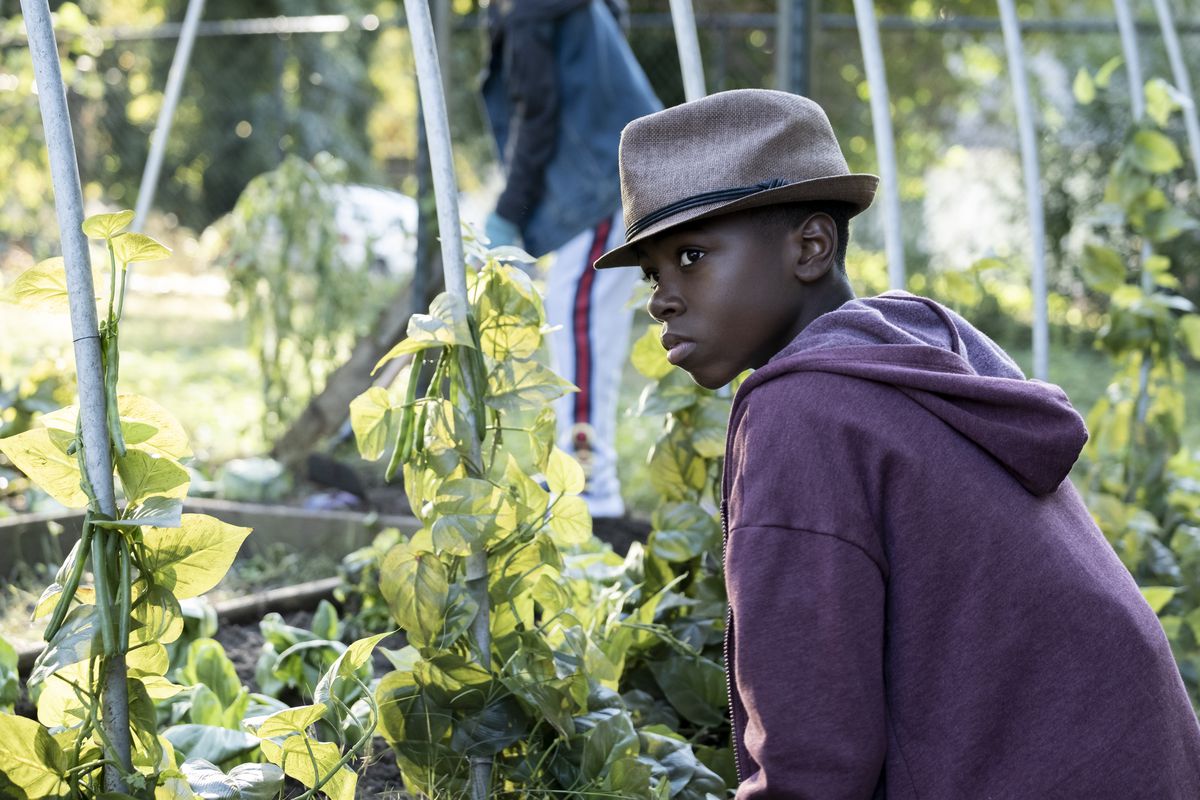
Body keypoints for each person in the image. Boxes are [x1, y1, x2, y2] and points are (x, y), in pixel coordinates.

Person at [594, 88, 1200, 798]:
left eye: (692, 255)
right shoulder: (909, 351)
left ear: (811, 247)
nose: (661, 297)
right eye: (653, 272)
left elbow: (813, 760)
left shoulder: (800, 414)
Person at [480, 0, 660, 519]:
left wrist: (509, 212)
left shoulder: (527, 9)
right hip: (616, 167)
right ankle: (581, 470)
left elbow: (536, 112)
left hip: (606, 179)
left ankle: (589, 486)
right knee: (579, 314)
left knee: (578, 315)